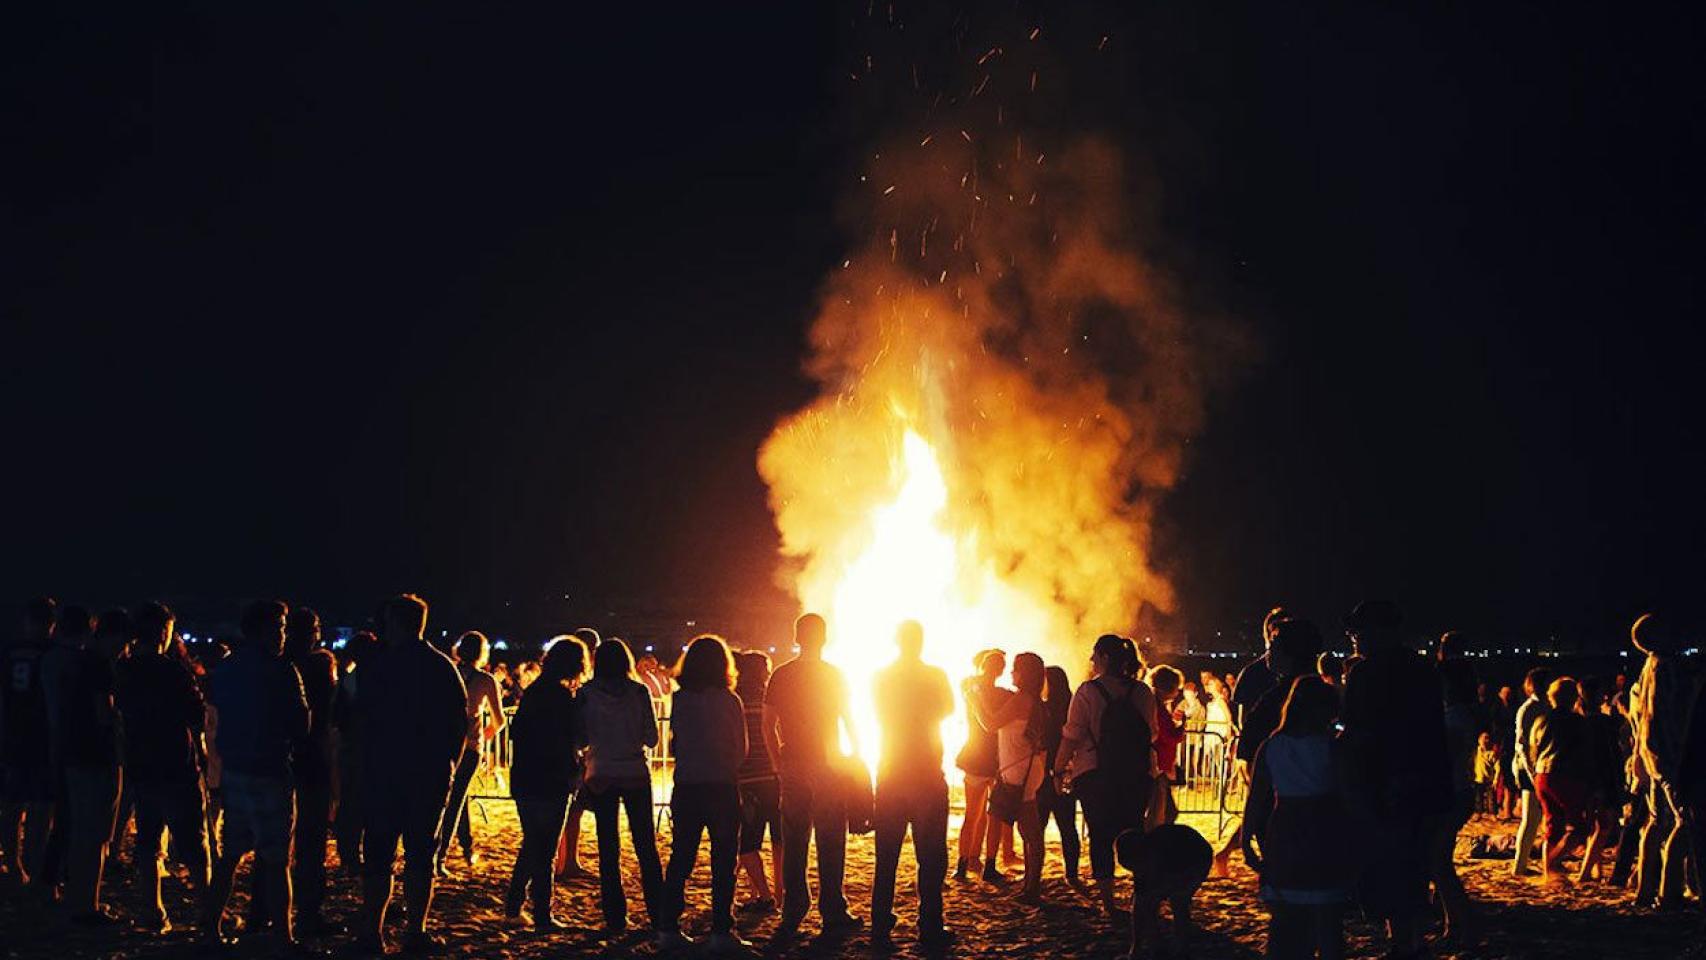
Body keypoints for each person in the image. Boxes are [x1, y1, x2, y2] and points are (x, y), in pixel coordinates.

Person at [355, 594, 468, 955]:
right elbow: (458, 726)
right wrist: (448, 766)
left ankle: (373, 933)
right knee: (420, 856)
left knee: (379, 856)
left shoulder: (378, 666)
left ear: (395, 623)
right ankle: (415, 931)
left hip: (383, 774)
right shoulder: (441, 666)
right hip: (428, 775)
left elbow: (359, 720)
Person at [1338, 600, 1451, 960]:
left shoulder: (1365, 673)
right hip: (1425, 780)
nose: (1353, 637)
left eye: (1358, 630)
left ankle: (1402, 942)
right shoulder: (1423, 668)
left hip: (1382, 782)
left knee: (1388, 864)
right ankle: (1411, 940)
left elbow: (1357, 729)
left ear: (1379, 631)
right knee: (1414, 864)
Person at [200, 600, 309, 948]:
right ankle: (283, 936)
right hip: (269, 770)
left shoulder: (226, 669)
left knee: (230, 856)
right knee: (277, 859)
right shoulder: (282, 670)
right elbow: (302, 724)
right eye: (280, 627)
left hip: (235, 771)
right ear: (264, 629)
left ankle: (211, 929)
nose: (283, 634)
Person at [762, 613, 862, 935]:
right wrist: (856, 755)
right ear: (824, 638)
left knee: (794, 839)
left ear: (796, 637)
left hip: (793, 762)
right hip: (828, 763)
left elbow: (768, 724)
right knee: (831, 838)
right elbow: (848, 718)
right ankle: (833, 909)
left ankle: (793, 910)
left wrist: (777, 762)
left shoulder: (781, 675)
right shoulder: (834, 674)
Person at [115, 602, 209, 934]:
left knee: (148, 839)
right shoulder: (173, 672)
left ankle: (152, 909)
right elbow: (196, 714)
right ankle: (207, 909)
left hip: (141, 762)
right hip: (176, 762)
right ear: (163, 632)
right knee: (193, 841)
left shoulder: (124, 670)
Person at [1243, 677, 1353, 960]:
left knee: (1285, 915)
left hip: (1286, 829)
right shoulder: (1331, 747)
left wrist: (1246, 838)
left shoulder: (1271, 746)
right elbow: (1347, 793)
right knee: (1327, 918)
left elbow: (1256, 797)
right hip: (1323, 828)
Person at [1052, 634, 1157, 917]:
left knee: (1100, 836)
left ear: (1105, 658)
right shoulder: (1142, 692)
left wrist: (1059, 769)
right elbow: (1152, 733)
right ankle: (1141, 894)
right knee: (1134, 832)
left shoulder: (1088, 692)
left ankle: (1109, 902)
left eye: (1095, 654)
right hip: (1137, 774)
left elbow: (1072, 735)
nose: (1091, 659)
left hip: (1095, 774)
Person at [658, 635, 750, 951]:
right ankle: (721, 931)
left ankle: (668, 927)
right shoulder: (730, 701)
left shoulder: (680, 699)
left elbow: (676, 742)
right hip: (721, 785)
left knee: (681, 857)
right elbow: (741, 747)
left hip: (687, 785)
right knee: (723, 861)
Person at [869, 620, 956, 945]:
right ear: (921, 642)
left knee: (886, 856)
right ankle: (930, 924)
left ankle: (880, 924)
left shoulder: (881, 677)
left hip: (891, 771)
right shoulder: (935, 675)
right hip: (926, 773)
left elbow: (878, 712)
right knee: (931, 857)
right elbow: (948, 709)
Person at [504, 635, 588, 931]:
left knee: (532, 842)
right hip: (554, 777)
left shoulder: (533, 693)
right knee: (546, 847)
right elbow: (576, 738)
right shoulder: (563, 699)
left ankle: (515, 904)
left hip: (526, 776)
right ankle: (541, 913)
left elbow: (517, 733)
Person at [582, 636, 664, 935]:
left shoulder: (586, 693)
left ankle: (615, 916)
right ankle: (658, 912)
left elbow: (581, 736)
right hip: (634, 771)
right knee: (645, 846)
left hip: (601, 772)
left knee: (608, 847)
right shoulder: (639, 692)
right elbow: (652, 738)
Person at [60, 608, 130, 924]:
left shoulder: (78, 662)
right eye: (124, 642)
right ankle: (88, 905)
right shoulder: (101, 666)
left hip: (75, 755)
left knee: (81, 833)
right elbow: (105, 714)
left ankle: (77, 900)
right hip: (100, 757)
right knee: (97, 835)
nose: (125, 649)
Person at [1631, 613, 1694, 909]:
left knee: (1656, 822)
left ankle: (1645, 890)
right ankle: (1669, 892)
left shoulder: (1647, 667)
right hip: (1671, 754)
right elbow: (1674, 714)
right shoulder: (1668, 668)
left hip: (1652, 754)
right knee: (1687, 821)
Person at [284, 607, 339, 935]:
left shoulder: (279, 666)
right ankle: (308, 913)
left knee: (275, 846)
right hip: (313, 760)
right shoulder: (320, 666)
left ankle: (266, 912)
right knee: (311, 842)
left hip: (280, 760)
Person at [438, 631, 506, 876]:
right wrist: (483, 736)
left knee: (454, 796)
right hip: (470, 747)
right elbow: (499, 720)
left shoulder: (448, 673)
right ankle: (441, 855)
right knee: (455, 800)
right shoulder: (486, 680)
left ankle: (466, 844)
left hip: (444, 744)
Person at [2, 597, 57, 889]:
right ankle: (35, 866)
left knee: (12, 805)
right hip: (44, 737)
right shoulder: (52, 652)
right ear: (51, 624)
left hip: (14, 735)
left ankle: (13, 864)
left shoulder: (10, 652)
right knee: (41, 807)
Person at [985, 651, 1048, 903]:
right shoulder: (1034, 701)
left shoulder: (1022, 699)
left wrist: (974, 699)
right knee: (1027, 830)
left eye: (1015, 668)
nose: (1011, 673)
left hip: (1019, 774)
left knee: (1032, 833)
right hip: (1026, 771)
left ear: (1024, 674)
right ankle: (1030, 884)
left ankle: (1033, 888)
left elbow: (990, 723)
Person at [1433, 657, 1480, 939]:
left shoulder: (1455, 716)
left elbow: (1446, 756)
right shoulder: (1461, 713)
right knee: (1440, 860)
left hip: (1452, 791)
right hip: (1459, 789)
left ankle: (1460, 920)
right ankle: (1455, 919)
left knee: (1438, 862)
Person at [733, 650, 781, 913]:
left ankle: (764, 895)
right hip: (775, 776)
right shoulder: (772, 700)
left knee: (748, 843)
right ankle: (781, 892)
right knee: (779, 839)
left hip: (748, 779)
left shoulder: (735, 701)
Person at [554, 627, 602, 881]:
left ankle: (567, 860)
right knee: (571, 809)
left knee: (572, 809)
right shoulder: (577, 687)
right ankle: (566, 862)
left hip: (567, 753)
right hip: (572, 754)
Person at [953, 649, 1005, 881]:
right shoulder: (1003, 695)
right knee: (994, 815)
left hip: (975, 755)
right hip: (996, 757)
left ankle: (963, 864)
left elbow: (967, 682)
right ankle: (989, 865)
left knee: (972, 814)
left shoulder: (970, 688)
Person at [332, 629, 379, 875]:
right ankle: (352, 854)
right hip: (364, 748)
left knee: (350, 803)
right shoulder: (365, 679)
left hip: (350, 747)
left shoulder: (348, 679)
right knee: (360, 803)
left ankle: (348, 853)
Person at [1037, 665, 1084, 891]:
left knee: (1039, 825)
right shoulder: (1072, 709)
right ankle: (1072, 873)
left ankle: (1034, 873)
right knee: (1067, 825)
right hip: (1066, 772)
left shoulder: (1044, 710)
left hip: (1046, 772)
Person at [1510, 666, 1555, 875]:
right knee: (1530, 819)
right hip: (1529, 768)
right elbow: (1521, 745)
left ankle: (1525, 864)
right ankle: (1519, 866)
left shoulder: (1544, 707)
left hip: (1539, 767)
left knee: (1538, 819)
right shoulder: (1529, 708)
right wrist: (1531, 773)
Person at [1148, 665, 1187, 827]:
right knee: (1164, 811)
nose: (1177, 692)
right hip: (1157, 767)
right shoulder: (1156, 708)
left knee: (1163, 810)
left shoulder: (1153, 704)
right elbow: (1167, 736)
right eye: (1176, 688)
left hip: (1157, 765)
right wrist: (1182, 727)